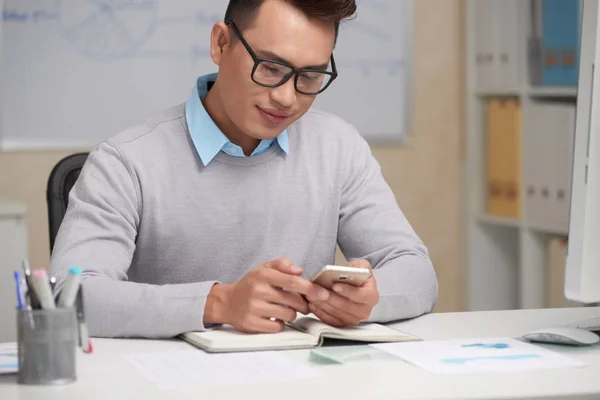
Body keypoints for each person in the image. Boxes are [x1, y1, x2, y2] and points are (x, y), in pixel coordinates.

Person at [49, 0, 438, 338]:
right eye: (270, 68)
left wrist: (370, 298)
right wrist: (219, 303)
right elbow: (71, 295)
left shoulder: (338, 147)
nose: (286, 98)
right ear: (221, 43)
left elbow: (416, 270)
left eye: (310, 77)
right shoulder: (127, 160)